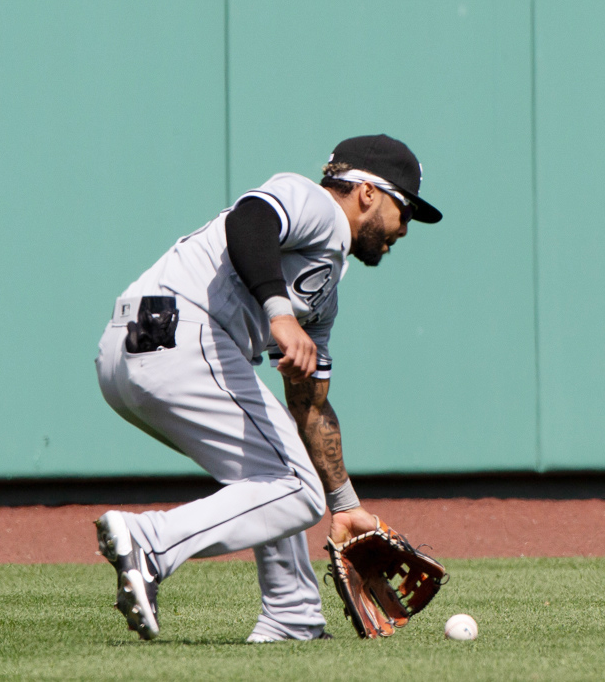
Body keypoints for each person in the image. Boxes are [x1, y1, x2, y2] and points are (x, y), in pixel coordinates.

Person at [93, 135, 442, 642]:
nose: (405, 228)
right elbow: (250, 219)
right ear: (367, 192)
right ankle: (151, 542)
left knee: (275, 471)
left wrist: (345, 504)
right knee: (297, 489)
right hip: (184, 333)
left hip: (137, 347)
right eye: (403, 208)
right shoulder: (317, 204)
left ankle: (292, 613)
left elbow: (308, 408)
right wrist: (279, 316)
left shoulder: (324, 293)